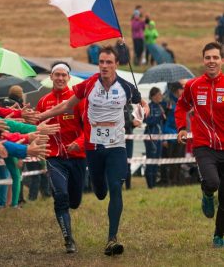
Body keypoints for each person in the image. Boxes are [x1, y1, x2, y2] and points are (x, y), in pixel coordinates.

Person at [37, 46, 149, 256]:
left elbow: (140, 103)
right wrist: (39, 118)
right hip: (93, 147)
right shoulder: (88, 84)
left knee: (116, 188)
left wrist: (144, 110)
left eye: (109, 62)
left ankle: (111, 240)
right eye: (101, 62)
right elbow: (66, 107)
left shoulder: (125, 86)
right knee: (100, 192)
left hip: (116, 146)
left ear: (116, 64)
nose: (104, 66)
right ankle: (100, 187)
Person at [175, 42, 224, 248]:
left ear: (221, 60)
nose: (211, 61)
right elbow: (181, 106)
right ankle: (207, 193)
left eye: (215, 57)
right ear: (203, 60)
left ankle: (219, 235)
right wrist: (181, 128)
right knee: (212, 182)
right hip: (204, 145)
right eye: (208, 58)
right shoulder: (193, 86)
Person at [36, 61, 86, 253]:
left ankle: (67, 201)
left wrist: (79, 143)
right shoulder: (43, 102)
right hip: (54, 157)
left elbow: (87, 129)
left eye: (63, 75)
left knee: (74, 201)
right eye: (57, 74)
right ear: (50, 77)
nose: (60, 78)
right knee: (61, 197)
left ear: (68, 78)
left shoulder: (77, 100)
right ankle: (68, 240)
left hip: (77, 157)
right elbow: (37, 129)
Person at [144, 87, 166, 189]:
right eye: (159, 94)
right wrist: (159, 118)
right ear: (153, 96)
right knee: (151, 161)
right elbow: (148, 121)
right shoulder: (149, 106)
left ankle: (154, 184)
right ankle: (150, 185)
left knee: (156, 161)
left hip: (159, 137)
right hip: (151, 138)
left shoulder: (160, 106)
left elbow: (162, 122)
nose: (161, 96)